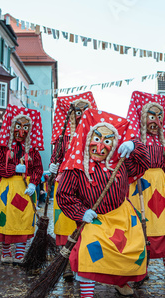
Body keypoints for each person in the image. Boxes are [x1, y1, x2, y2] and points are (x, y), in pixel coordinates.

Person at [57, 109, 150, 298]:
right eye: (96, 139)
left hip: (123, 215)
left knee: (131, 249)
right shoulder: (77, 168)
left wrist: (134, 145)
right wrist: (81, 212)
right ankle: (87, 294)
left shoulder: (121, 164)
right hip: (95, 219)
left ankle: (121, 281)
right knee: (92, 250)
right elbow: (64, 195)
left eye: (107, 141)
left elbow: (146, 162)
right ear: (88, 139)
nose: (100, 146)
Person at [126, 91, 165, 281]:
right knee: (142, 227)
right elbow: (128, 166)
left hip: (161, 185)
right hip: (141, 185)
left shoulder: (162, 142)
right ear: (143, 118)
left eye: (159, 117)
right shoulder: (136, 142)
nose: (156, 121)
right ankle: (141, 269)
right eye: (152, 116)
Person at [49, 92, 98, 280]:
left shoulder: (94, 136)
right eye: (77, 111)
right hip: (65, 181)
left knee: (84, 222)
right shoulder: (65, 137)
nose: (81, 115)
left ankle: (83, 260)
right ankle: (68, 263)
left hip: (87, 183)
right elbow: (57, 156)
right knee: (65, 222)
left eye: (84, 110)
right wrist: (53, 164)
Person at [0, 105, 44, 265]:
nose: (22, 130)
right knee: (6, 218)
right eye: (19, 126)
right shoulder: (3, 148)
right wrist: (13, 168)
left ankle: (20, 254)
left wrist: (34, 184)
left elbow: (38, 168)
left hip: (26, 189)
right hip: (7, 188)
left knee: (24, 218)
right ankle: (5, 252)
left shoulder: (33, 150)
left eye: (25, 127)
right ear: (13, 127)